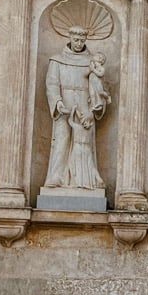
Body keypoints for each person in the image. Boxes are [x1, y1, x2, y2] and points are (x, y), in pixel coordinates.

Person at [43, 25, 109, 191]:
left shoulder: (92, 61)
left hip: (84, 105)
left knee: (83, 144)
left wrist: (93, 110)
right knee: (61, 141)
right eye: (76, 40)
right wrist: (58, 103)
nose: (79, 43)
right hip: (64, 106)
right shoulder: (57, 60)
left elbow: (97, 86)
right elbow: (52, 84)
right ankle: (56, 177)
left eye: (82, 40)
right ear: (70, 38)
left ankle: (85, 179)